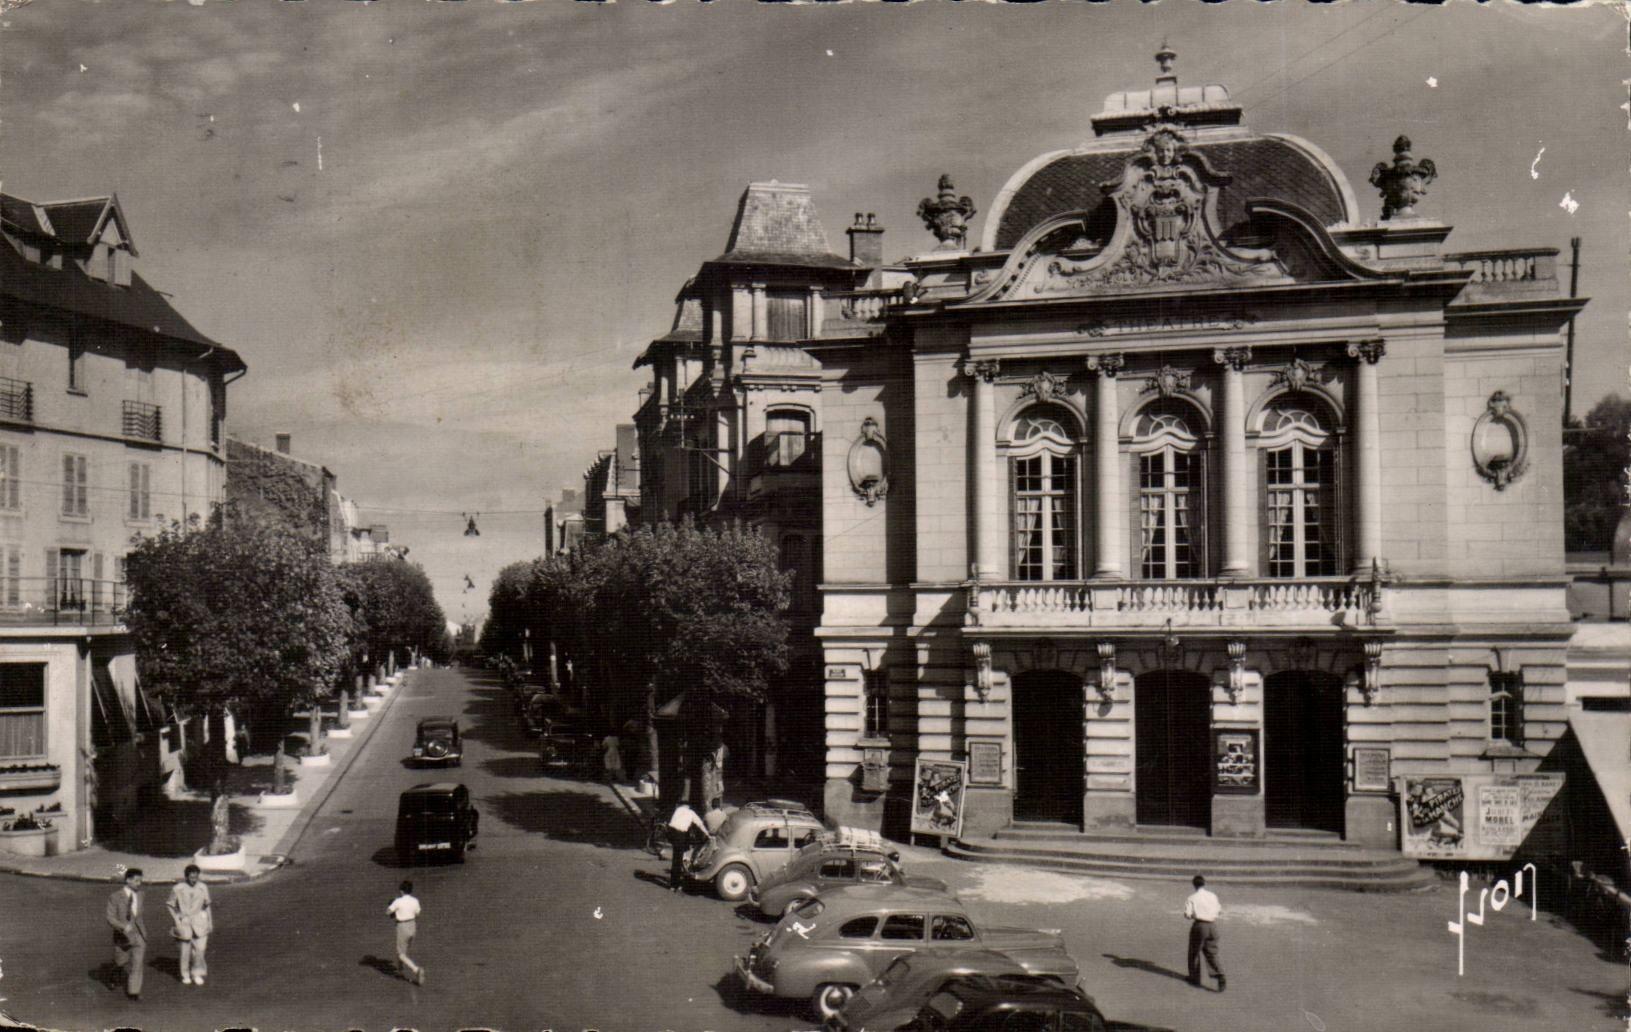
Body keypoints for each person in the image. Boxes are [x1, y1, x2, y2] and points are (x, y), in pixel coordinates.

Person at [166, 863, 212, 986]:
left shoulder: (203, 887)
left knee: (200, 949)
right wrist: (176, 919)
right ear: (186, 877)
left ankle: (197, 973)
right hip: (184, 921)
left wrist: (210, 921)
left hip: (200, 921)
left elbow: (207, 905)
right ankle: (185, 974)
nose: (194, 880)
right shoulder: (178, 888)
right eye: (191, 877)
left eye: (196, 877)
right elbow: (170, 904)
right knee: (185, 950)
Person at [105, 868, 148, 1000]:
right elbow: (110, 918)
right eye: (136, 881)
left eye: (140, 881)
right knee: (121, 961)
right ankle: (113, 973)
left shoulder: (141, 895)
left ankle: (133, 992)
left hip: (139, 934)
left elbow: (138, 915)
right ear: (128, 880)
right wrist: (123, 927)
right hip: (123, 936)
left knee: (137, 964)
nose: (139, 884)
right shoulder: (115, 897)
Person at [1184, 874, 1225, 992]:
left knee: (1194, 952)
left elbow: (1188, 915)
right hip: (1212, 926)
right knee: (1212, 952)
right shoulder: (1212, 896)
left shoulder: (1191, 898)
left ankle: (1195, 978)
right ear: (1204, 883)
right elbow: (1219, 910)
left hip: (1200, 925)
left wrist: (1194, 914)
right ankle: (1220, 975)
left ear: (1194, 885)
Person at [386, 880, 424, 986]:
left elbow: (388, 912)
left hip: (402, 927)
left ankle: (416, 970)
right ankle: (400, 969)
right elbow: (418, 913)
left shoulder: (398, 901)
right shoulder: (415, 900)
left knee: (401, 954)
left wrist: (394, 909)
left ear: (401, 891)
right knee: (404, 950)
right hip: (413, 926)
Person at [666, 801, 706, 893]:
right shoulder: (690, 812)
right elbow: (699, 824)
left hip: (672, 833)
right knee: (679, 859)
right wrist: (707, 834)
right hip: (681, 835)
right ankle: (676, 884)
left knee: (675, 858)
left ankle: (673, 884)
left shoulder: (678, 810)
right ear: (688, 806)